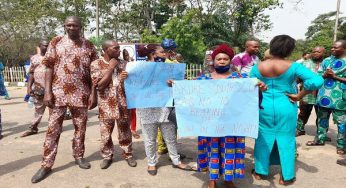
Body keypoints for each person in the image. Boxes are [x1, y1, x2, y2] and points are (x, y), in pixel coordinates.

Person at [31, 16, 98, 183]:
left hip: (81, 93)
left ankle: (79, 156)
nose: (71, 27)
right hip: (57, 93)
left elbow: (94, 72)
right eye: (68, 25)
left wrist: (93, 94)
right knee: (53, 129)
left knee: (80, 128)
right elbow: (48, 67)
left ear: (80, 27)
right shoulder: (56, 42)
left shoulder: (89, 45)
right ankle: (46, 164)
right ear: (65, 26)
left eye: (75, 25)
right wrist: (47, 92)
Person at [250, 35, 323, 185]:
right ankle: (287, 176)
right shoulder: (294, 66)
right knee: (287, 139)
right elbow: (317, 80)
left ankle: (260, 171)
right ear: (289, 50)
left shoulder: (257, 67)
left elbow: (249, 85)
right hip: (286, 104)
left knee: (263, 137)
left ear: (272, 46)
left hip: (264, 106)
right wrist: (299, 95)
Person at [196, 44, 267, 188]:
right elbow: (189, 93)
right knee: (212, 150)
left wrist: (259, 88)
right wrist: (175, 85)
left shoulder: (240, 78)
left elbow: (250, 97)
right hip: (211, 123)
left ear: (230, 61)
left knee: (230, 150)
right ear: (213, 61)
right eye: (219, 59)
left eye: (225, 59)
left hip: (232, 124)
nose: (222, 61)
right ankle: (212, 179)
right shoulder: (204, 79)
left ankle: (228, 179)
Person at [130, 44, 192, 176]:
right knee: (150, 139)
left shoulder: (169, 67)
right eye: (162, 52)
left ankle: (176, 160)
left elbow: (181, 83)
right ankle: (151, 163)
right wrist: (126, 77)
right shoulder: (138, 68)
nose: (165, 54)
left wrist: (174, 83)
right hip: (147, 109)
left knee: (170, 137)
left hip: (165, 107)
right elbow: (133, 86)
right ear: (153, 54)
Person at [89, 40, 137, 169]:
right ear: (106, 49)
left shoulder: (124, 63)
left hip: (123, 103)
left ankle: (128, 154)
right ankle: (107, 156)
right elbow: (99, 86)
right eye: (115, 48)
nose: (119, 51)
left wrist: (127, 77)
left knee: (125, 130)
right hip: (106, 104)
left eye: (119, 48)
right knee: (105, 132)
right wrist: (111, 67)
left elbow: (133, 83)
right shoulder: (96, 64)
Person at [306, 40, 346, 155]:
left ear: (344, 49)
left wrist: (335, 77)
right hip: (324, 96)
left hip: (341, 99)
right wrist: (324, 75)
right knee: (321, 120)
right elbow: (319, 76)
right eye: (332, 47)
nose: (332, 49)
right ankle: (319, 139)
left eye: (336, 48)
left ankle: (341, 145)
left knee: (342, 123)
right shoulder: (327, 60)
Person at [21, 40, 50, 137]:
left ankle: (54, 128)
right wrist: (29, 87)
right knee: (38, 109)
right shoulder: (34, 58)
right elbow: (32, 73)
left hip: (52, 89)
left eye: (48, 45)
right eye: (44, 45)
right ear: (40, 46)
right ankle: (33, 128)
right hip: (39, 88)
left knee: (53, 109)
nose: (46, 47)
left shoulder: (53, 57)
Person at [296, 46, 326, 137]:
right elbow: (298, 78)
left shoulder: (327, 63)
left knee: (322, 114)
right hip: (306, 93)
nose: (315, 53)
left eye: (318, 52)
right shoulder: (304, 64)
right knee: (303, 113)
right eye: (314, 52)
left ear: (323, 53)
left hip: (323, 93)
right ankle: (300, 129)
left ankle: (321, 134)